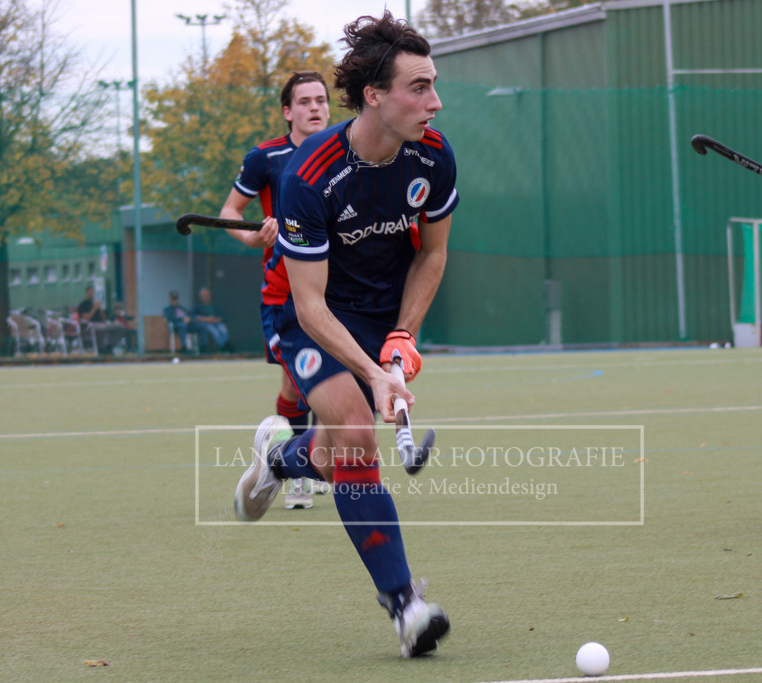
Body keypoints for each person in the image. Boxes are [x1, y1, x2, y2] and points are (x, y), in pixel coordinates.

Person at [233, 11, 458, 658]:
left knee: (334, 457)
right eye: (418, 87)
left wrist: (402, 341)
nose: (434, 101)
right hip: (312, 318)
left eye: (434, 84)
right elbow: (309, 304)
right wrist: (376, 374)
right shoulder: (310, 174)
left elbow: (433, 256)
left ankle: (281, 458)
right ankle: (405, 606)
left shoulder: (433, 154)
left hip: (381, 314)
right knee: (357, 432)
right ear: (374, 96)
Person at [220, 70, 331, 509]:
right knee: (297, 380)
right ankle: (291, 466)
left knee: (333, 376)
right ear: (288, 112)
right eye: (304, 101)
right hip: (283, 289)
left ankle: (316, 461)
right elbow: (231, 210)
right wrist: (251, 237)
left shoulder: (345, 152)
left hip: (336, 288)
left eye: (321, 100)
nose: (315, 108)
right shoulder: (266, 157)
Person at [77, 286, 124, 354]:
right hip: (90, 325)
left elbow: (104, 318)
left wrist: (100, 308)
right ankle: (102, 348)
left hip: (102, 323)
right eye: (90, 292)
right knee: (103, 328)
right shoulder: (83, 305)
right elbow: (87, 318)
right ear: (86, 293)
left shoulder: (95, 304)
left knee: (119, 326)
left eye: (93, 292)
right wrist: (94, 308)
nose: (92, 294)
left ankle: (110, 346)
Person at [191, 287, 232, 352]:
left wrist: (215, 319)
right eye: (203, 296)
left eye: (206, 296)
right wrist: (206, 319)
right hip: (206, 324)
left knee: (223, 329)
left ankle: (225, 344)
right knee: (215, 332)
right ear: (200, 297)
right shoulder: (198, 307)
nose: (205, 298)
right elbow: (193, 317)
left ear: (210, 296)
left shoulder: (215, 306)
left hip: (216, 323)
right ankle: (222, 346)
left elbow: (223, 317)